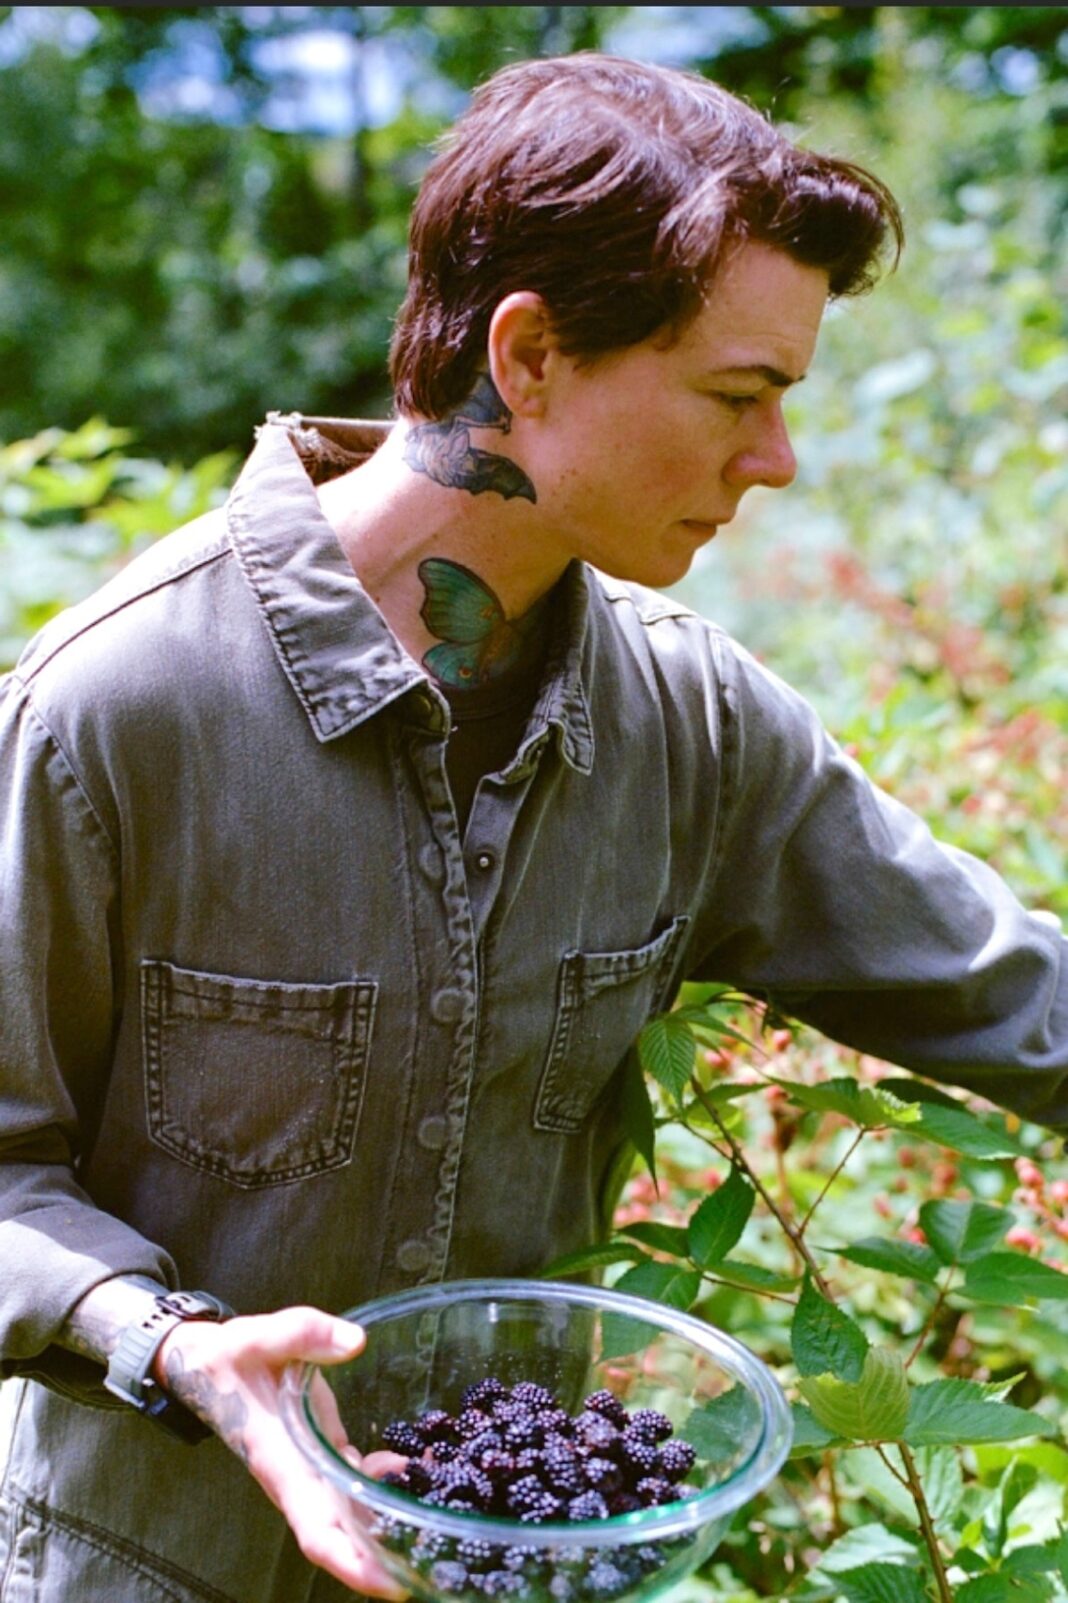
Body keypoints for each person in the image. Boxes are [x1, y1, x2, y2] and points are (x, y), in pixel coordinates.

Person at [0, 49, 1064, 1603]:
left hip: (521, 1574)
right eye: (737, 395)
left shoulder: (695, 734)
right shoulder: (118, 711)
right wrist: (173, 1346)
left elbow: (1016, 996)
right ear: (534, 354)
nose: (774, 459)